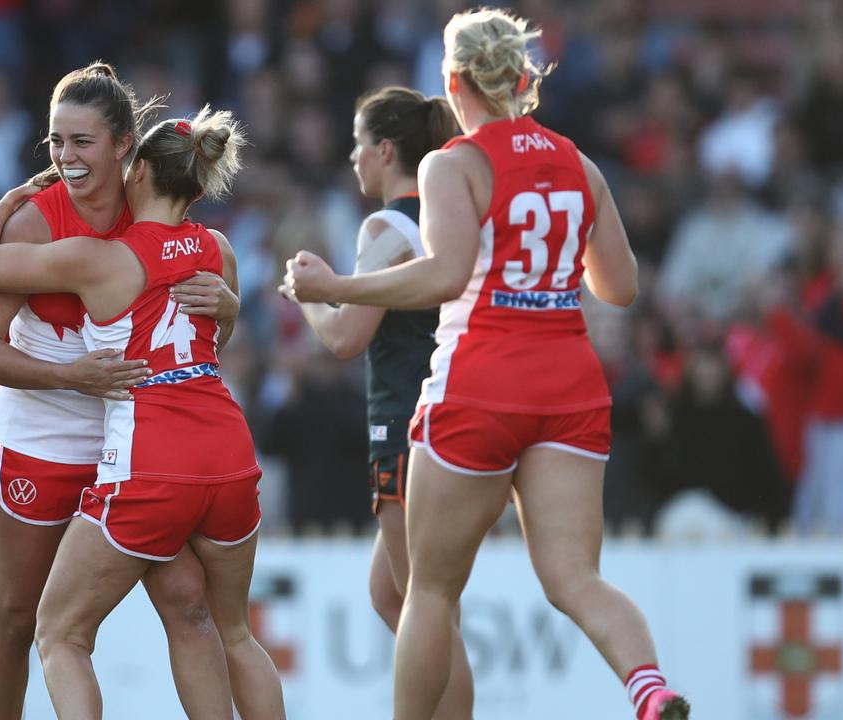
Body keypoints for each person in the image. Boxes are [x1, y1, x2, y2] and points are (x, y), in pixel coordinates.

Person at [283, 9, 689, 720]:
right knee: (576, 580)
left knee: (430, 591)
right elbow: (619, 288)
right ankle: (649, 689)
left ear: (452, 81)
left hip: (482, 380)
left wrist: (335, 289)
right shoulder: (578, 162)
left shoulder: (453, 163)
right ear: (525, 79)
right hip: (568, 381)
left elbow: (443, 276)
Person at [0, 63, 268, 720]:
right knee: (13, 619)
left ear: (127, 147)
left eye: (81, 142)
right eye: (56, 141)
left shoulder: (153, 207)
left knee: (186, 601)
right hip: (39, 440)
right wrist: (72, 376)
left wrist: (230, 305)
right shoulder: (39, 221)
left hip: (133, 444)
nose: (65, 157)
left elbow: (198, 344)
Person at [278, 85, 473, 719]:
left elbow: (344, 337)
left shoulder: (387, 225)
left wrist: (306, 292)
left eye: (359, 146)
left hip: (404, 421)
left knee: (425, 601)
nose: (353, 158)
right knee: (393, 594)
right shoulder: (450, 215)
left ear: (385, 150)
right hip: (447, 413)